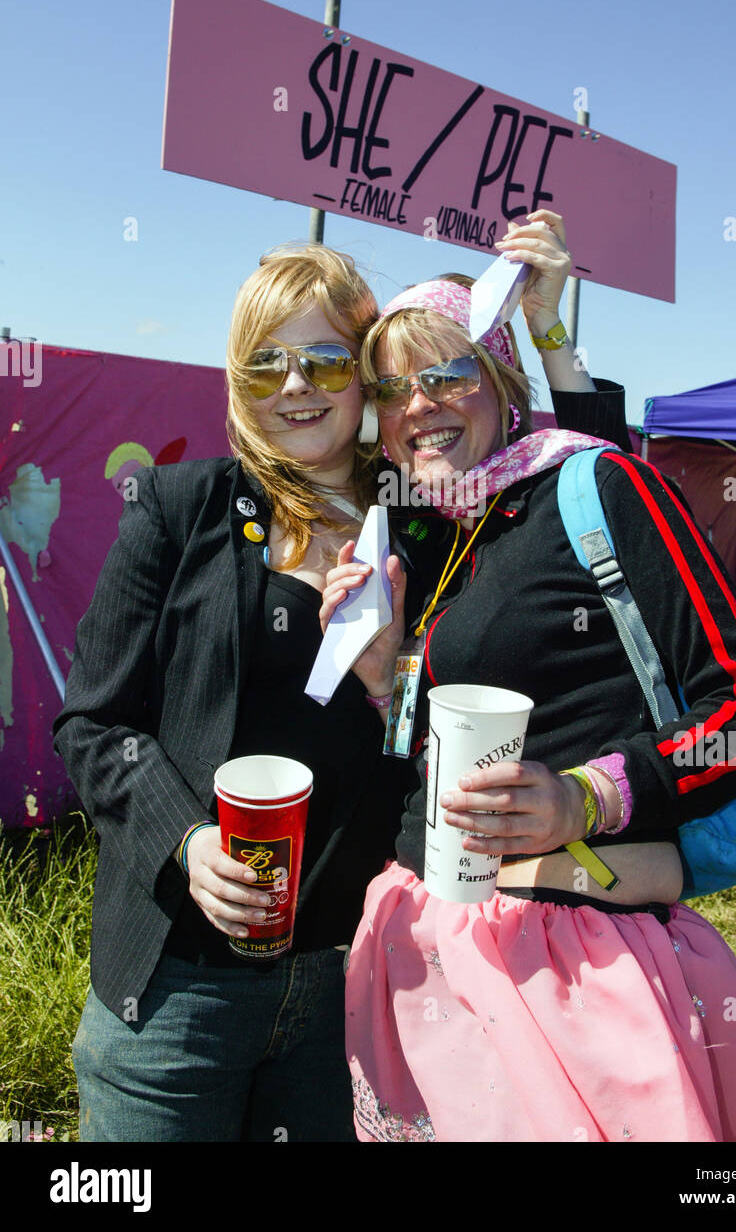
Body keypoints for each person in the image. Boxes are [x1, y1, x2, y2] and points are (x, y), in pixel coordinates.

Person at [53, 215, 626, 1142]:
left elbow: (592, 504)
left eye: (323, 362)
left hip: (354, 978)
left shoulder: (430, 515)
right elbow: (92, 723)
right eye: (263, 365)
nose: (294, 388)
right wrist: (187, 841)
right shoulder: (180, 510)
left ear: (367, 374)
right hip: (173, 986)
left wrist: (554, 334)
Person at [322, 273, 736, 1143]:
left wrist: (586, 796)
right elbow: (426, 756)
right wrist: (387, 677)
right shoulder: (443, 535)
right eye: (392, 387)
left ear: (503, 383)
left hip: (570, 966)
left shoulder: (599, 488)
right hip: (431, 949)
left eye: (448, 375)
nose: (417, 404)